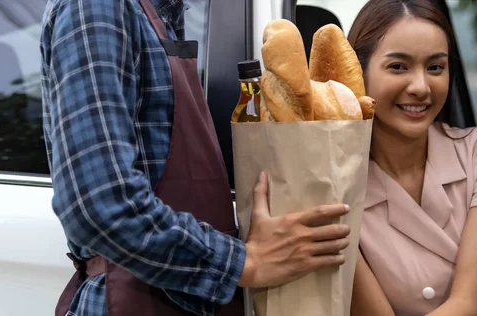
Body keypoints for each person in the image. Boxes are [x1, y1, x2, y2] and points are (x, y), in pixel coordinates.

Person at [40, 0, 351, 315]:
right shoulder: (98, 7)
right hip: (133, 301)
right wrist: (245, 262)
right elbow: (100, 205)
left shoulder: (160, 15)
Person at [346, 1, 477, 315]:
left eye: (435, 67)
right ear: (359, 73)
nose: (421, 87)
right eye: (398, 66)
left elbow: (468, 303)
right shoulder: (339, 189)